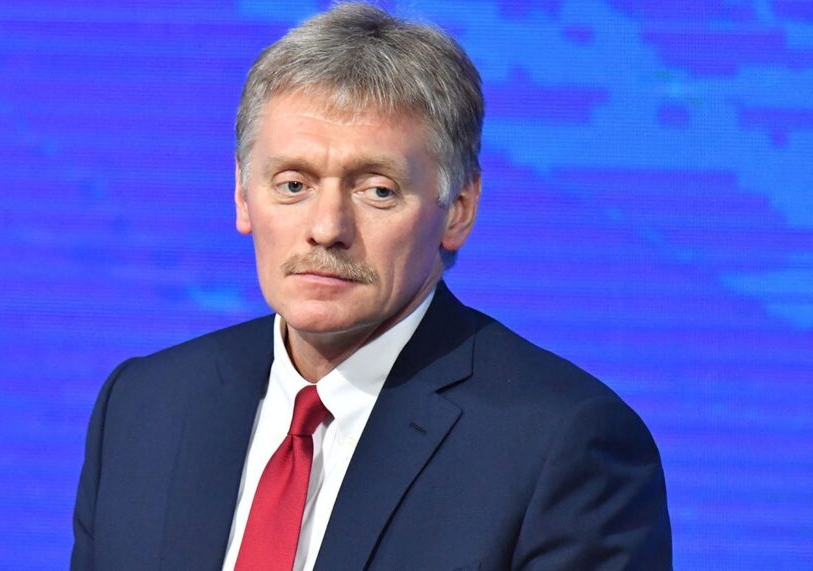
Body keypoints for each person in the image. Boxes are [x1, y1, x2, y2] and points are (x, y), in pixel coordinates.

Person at [71, 3, 672, 570]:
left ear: (458, 210)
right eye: (293, 184)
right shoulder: (143, 406)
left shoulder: (564, 446)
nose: (326, 229)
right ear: (242, 195)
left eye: (377, 190)